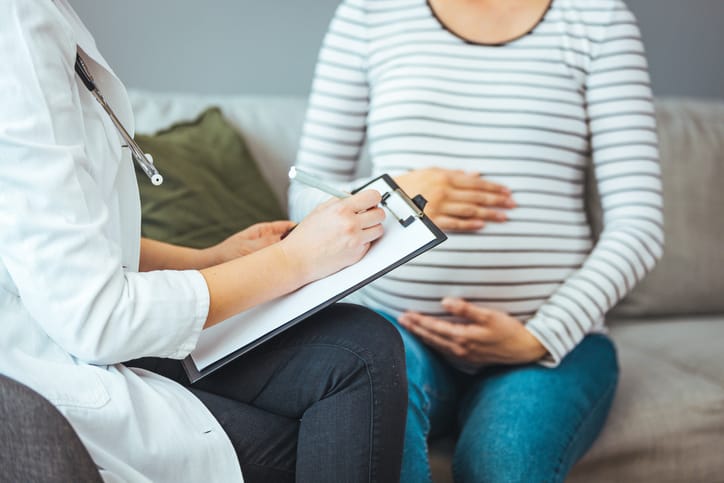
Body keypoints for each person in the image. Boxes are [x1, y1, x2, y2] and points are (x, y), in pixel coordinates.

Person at [0, 1, 407, 482]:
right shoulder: (16, 30)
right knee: (343, 391)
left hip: (60, 321)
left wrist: (208, 259)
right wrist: (295, 260)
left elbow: (58, 238)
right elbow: (96, 316)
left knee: (359, 346)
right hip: (48, 365)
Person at [289, 0, 664, 481]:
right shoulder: (370, 12)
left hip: (553, 342)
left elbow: (640, 225)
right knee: (371, 440)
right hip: (392, 329)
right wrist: (395, 198)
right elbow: (304, 195)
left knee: (503, 464)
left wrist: (541, 336)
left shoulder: (597, 18)